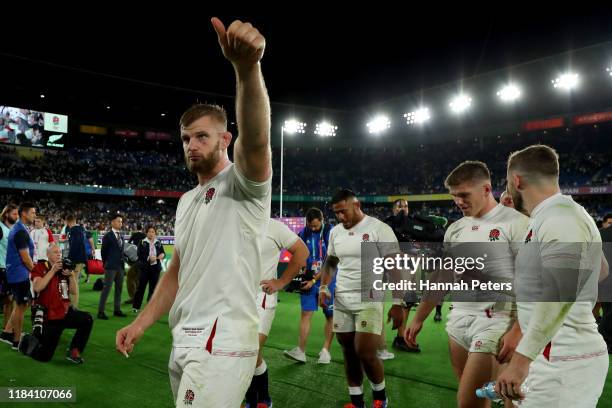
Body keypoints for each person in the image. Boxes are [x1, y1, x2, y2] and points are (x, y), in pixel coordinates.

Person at [116, 17, 273, 407]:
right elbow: (176, 272)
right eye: (186, 138)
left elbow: (256, 140)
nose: (191, 145)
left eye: (202, 136)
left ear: (225, 139)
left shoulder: (244, 183)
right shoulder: (186, 201)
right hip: (183, 336)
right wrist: (140, 322)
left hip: (223, 339)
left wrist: (247, 69)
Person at [405, 161, 528, 408]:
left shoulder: (517, 223)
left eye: (464, 195)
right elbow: (443, 276)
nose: (459, 202)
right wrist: (419, 317)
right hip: (458, 319)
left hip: (496, 320)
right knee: (480, 397)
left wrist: (518, 329)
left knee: (468, 401)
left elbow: (534, 281)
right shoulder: (456, 228)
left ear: (486, 189)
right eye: (454, 196)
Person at [496, 145, 609, 407]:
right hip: (555, 357)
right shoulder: (555, 216)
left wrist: (520, 360)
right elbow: (601, 269)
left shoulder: (560, 217)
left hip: (563, 362)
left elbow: (560, 293)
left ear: (516, 180)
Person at [319, 189, 400, 408]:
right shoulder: (335, 232)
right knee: (347, 349)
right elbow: (331, 262)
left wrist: (399, 301)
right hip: (342, 297)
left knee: (365, 351)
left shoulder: (379, 229)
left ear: (356, 205)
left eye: (343, 212)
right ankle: (356, 401)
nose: (340, 217)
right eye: (336, 213)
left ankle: (380, 399)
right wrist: (323, 287)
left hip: (369, 296)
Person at [245, 218, 308, 407]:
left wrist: (281, 282)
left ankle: (262, 398)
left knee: (250, 348)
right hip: (236, 298)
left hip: (261, 296)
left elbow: (302, 252)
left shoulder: (273, 226)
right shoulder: (234, 222)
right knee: (242, 351)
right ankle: (253, 399)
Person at [19, 243, 93, 363]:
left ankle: (75, 349)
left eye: (59, 252)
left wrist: (71, 276)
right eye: (55, 252)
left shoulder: (65, 268)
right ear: (47, 255)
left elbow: (73, 291)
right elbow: (38, 287)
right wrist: (53, 271)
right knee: (44, 357)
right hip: (48, 316)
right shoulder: (40, 267)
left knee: (87, 319)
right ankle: (27, 339)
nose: (59, 254)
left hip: (64, 312)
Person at [284, 207, 336, 364]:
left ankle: (326, 350)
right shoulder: (303, 233)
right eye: (310, 225)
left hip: (328, 279)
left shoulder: (330, 232)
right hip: (309, 280)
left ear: (322, 220)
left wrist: (314, 280)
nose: (312, 228)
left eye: (315, 226)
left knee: (330, 315)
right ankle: (301, 351)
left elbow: (330, 261)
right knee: (305, 313)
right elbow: (298, 255)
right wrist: (302, 271)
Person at [3, 202, 36, 350]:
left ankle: (8, 331)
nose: (34, 215)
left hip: (17, 272)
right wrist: (35, 272)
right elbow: (25, 257)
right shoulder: (20, 231)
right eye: (33, 213)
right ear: (24, 214)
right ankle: (16, 341)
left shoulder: (20, 229)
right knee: (21, 306)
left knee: (24, 304)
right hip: (19, 273)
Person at [98, 214, 127, 319]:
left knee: (119, 289)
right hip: (110, 266)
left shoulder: (122, 235)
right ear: (112, 222)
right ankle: (101, 311)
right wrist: (106, 263)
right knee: (107, 289)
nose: (120, 223)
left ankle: (117, 309)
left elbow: (121, 251)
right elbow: (103, 252)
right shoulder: (107, 236)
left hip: (120, 266)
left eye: (121, 221)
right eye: (119, 221)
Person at [132, 226, 165, 313]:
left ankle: (150, 308)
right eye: (149, 232)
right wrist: (148, 258)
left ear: (155, 233)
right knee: (140, 288)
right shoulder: (142, 242)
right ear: (146, 233)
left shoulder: (158, 242)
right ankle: (136, 307)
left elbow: (162, 252)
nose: (151, 233)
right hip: (144, 269)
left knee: (153, 289)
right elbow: (139, 254)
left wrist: (162, 255)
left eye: (153, 232)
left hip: (155, 269)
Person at [0, 204, 18, 338]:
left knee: (9, 299)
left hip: (10, 269)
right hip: (1, 268)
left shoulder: (15, 229)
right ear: (6, 214)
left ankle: (7, 328)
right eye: (14, 214)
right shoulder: (0, 228)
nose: (16, 217)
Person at [125, 224, 146, 304]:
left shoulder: (134, 234)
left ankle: (133, 297)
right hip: (142, 258)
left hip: (134, 256)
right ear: (142, 228)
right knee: (136, 278)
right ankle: (137, 297)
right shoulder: (144, 235)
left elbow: (129, 243)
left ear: (136, 228)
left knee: (131, 277)